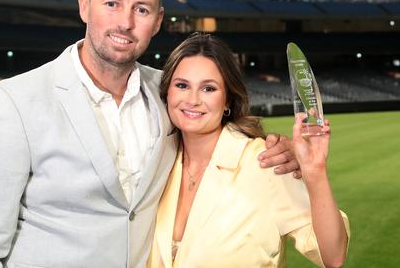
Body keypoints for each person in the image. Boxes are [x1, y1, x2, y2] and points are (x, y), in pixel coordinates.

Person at [0, 0, 298, 268]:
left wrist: (280, 151)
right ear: (84, 6)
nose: (125, 23)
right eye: (112, 3)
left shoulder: (171, 93)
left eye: (141, 10)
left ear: (157, 21)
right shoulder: (15, 103)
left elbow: (222, 138)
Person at [147, 32, 350, 267]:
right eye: (182, 85)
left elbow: (332, 256)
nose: (192, 99)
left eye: (208, 89)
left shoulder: (265, 161)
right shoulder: (156, 162)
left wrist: (315, 172)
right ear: (167, 92)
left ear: (227, 101)